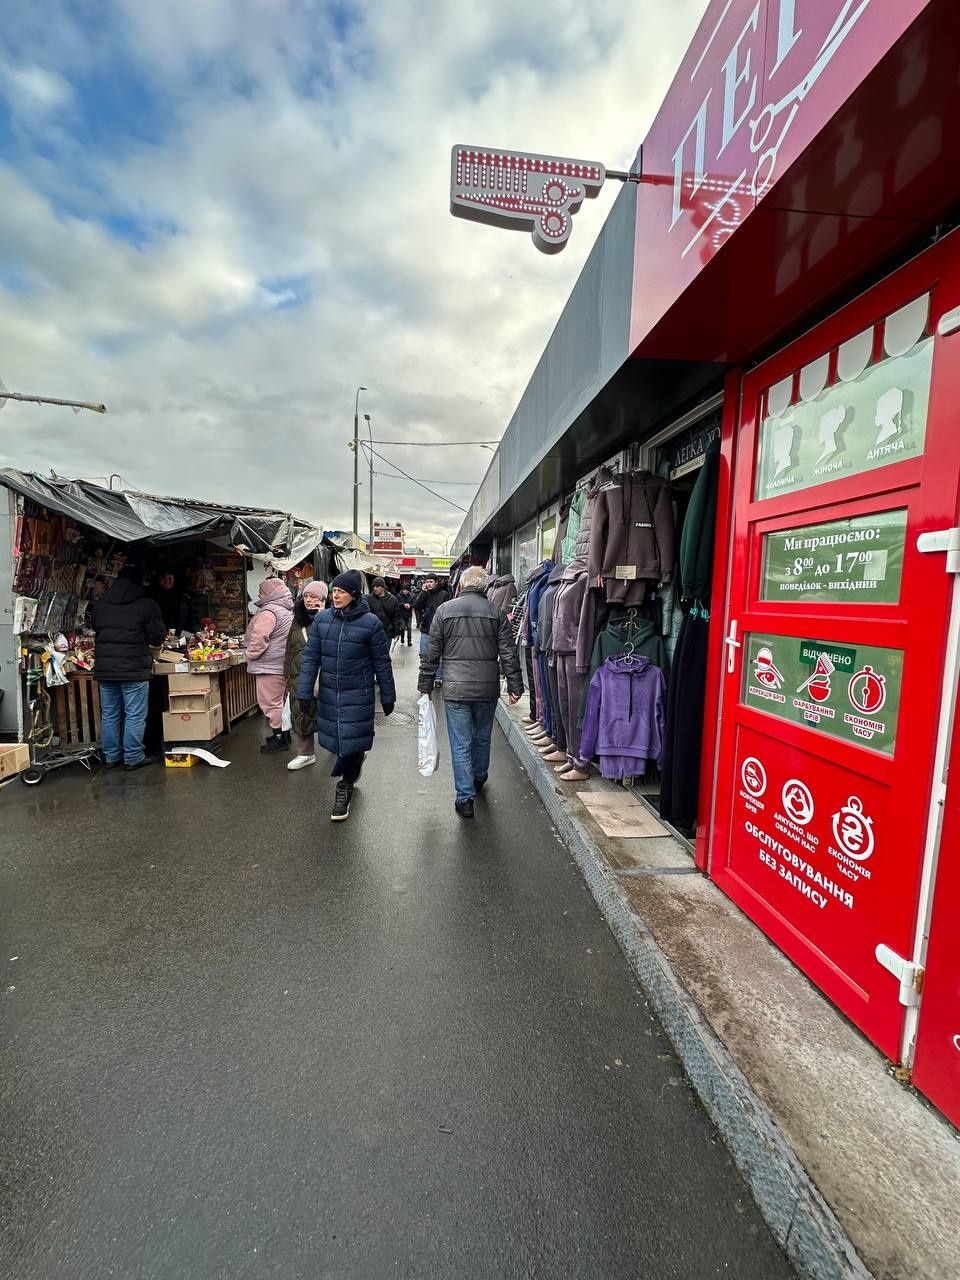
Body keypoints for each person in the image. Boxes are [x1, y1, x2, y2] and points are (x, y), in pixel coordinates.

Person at [418, 564, 523, 818]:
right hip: (487, 689)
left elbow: (431, 653)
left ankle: (465, 798)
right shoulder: (496, 613)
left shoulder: (444, 611)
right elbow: (508, 652)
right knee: (482, 736)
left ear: (462, 585)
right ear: (484, 586)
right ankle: (479, 777)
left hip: (455, 689)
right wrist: (515, 685)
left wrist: (425, 686)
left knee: (460, 742)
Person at [297, 570, 396, 822]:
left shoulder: (371, 623)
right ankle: (353, 765)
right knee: (340, 742)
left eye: (341, 591)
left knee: (350, 741)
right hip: (330, 693)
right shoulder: (322, 620)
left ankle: (344, 787)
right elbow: (311, 659)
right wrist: (304, 691)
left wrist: (387, 695)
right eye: (334, 591)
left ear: (353, 594)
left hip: (359, 694)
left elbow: (382, 663)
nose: (335, 595)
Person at [92, 562, 166, 770]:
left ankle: (111, 757)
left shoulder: (101, 604)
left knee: (110, 713)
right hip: (134, 668)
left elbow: (95, 628)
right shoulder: (146, 604)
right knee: (134, 714)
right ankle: (133, 757)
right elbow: (157, 637)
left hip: (106, 669)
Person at [244, 578, 295, 753]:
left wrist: (249, 654)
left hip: (269, 665)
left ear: (269, 594)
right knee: (281, 701)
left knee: (270, 702)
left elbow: (259, 639)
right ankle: (284, 734)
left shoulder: (268, 612)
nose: (258, 594)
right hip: (282, 663)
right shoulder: (286, 610)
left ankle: (280, 738)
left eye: (261, 591)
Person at [283, 579, 328, 771]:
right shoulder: (297, 618)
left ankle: (338, 747)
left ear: (324, 599)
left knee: (329, 712)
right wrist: (287, 673)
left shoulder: (331, 617)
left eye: (314, 597)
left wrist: (324, 616)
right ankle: (305, 753)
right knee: (301, 711)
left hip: (325, 674)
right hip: (299, 673)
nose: (309, 600)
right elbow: (290, 647)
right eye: (307, 596)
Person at [414, 574, 450, 681]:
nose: (428, 584)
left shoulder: (444, 594)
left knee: (439, 655)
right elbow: (417, 606)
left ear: (436, 582)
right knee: (423, 654)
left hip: (439, 629)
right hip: (426, 628)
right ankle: (426, 675)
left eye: (431, 581)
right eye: (427, 582)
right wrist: (423, 592)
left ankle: (438, 677)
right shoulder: (425, 594)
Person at [366, 577, 402, 642]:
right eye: (373, 586)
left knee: (385, 651)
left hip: (387, 632)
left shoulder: (393, 600)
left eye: (377, 586)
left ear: (383, 587)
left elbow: (396, 617)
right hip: (372, 632)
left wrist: (397, 632)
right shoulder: (369, 598)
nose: (375, 588)